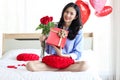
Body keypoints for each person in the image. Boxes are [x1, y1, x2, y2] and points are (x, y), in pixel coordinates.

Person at [26, 2, 89, 72]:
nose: (68, 15)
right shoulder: (54, 26)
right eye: (66, 12)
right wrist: (43, 41)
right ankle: (60, 68)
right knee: (29, 65)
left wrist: (62, 55)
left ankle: (55, 68)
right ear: (63, 12)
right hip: (53, 59)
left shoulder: (78, 31)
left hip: (67, 60)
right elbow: (48, 50)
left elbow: (78, 53)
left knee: (85, 65)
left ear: (76, 16)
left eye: (71, 13)